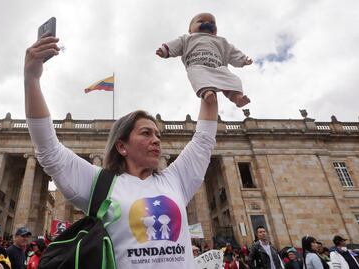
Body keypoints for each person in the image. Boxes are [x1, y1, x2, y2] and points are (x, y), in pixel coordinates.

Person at [24, 31, 218, 269]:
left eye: (158, 135)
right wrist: (31, 79)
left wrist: (208, 78)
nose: (156, 140)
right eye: (146, 133)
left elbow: (204, 139)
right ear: (122, 146)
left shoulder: (175, 180)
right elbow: (48, 149)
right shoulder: (99, 183)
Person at [156, 12, 252, 107]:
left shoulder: (221, 41)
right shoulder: (187, 38)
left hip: (218, 68)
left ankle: (237, 97)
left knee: (233, 80)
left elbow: (232, 52)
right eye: (201, 21)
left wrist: (243, 59)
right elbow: (175, 45)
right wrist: (164, 50)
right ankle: (207, 92)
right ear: (190, 30)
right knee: (197, 76)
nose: (207, 23)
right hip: (197, 67)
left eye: (212, 22)